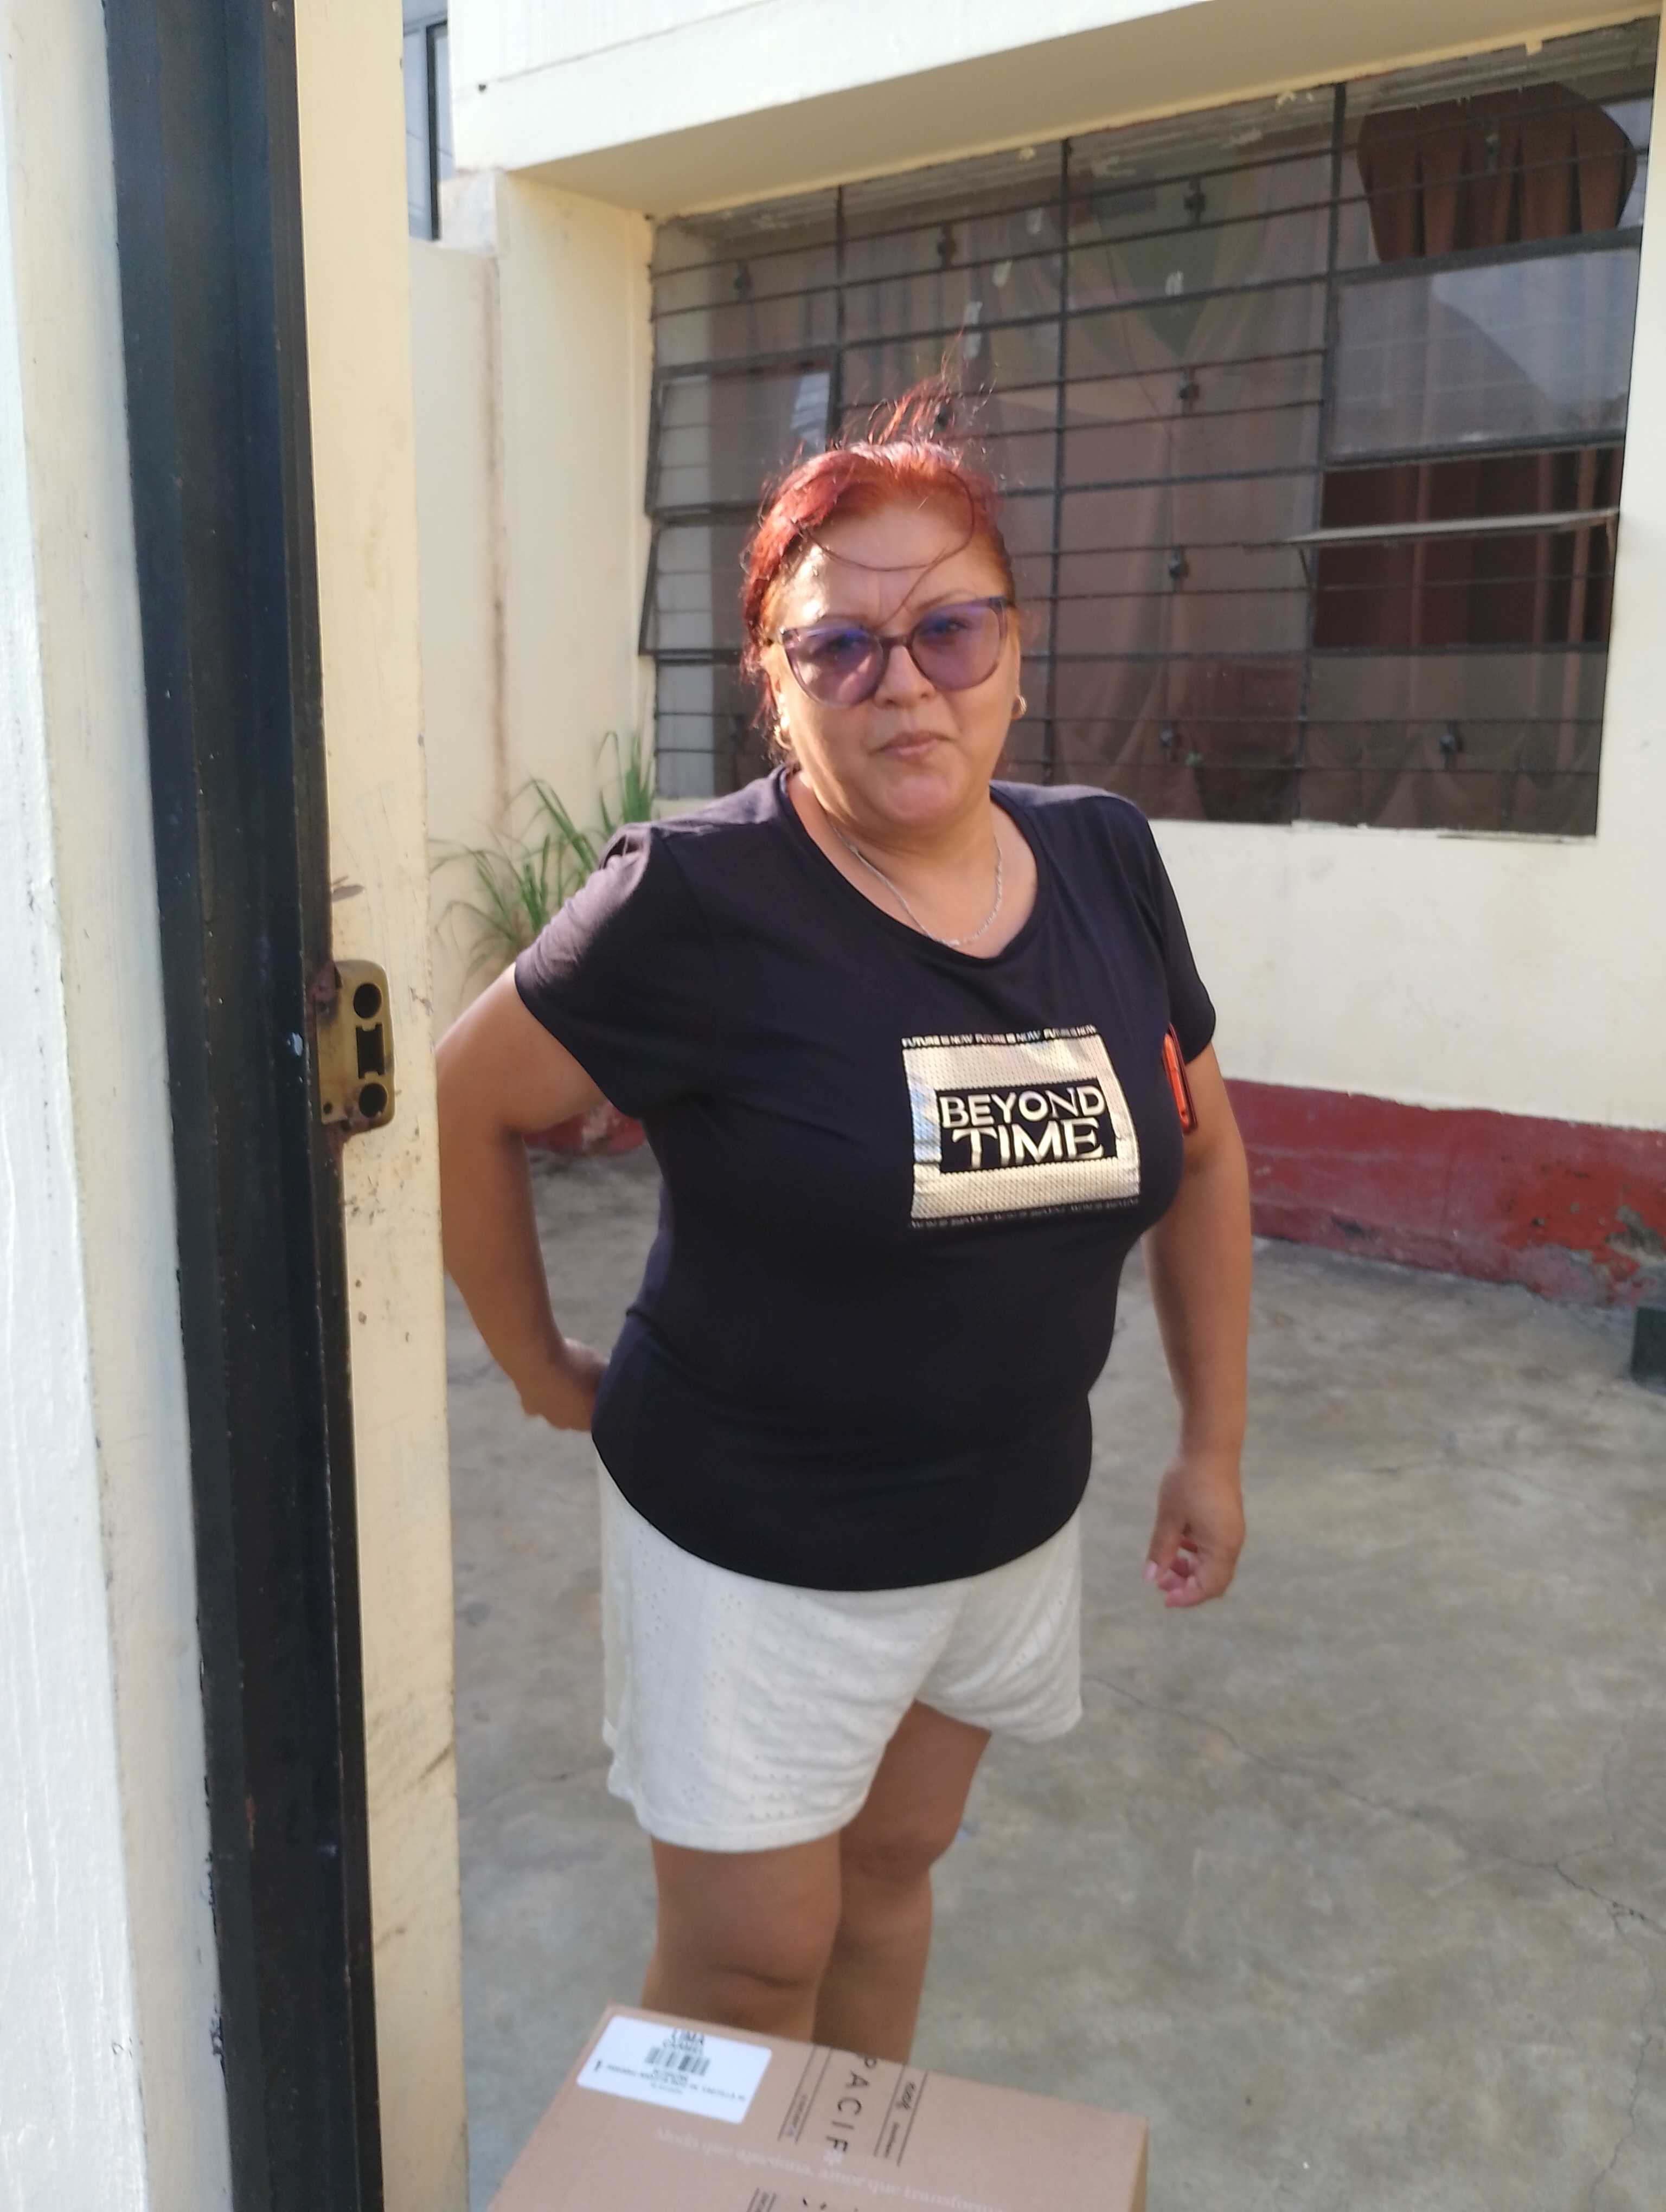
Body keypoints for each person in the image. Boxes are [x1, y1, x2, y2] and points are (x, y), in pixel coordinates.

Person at [436, 382, 1251, 2065]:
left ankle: (845, 2167)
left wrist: (1212, 1443)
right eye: (841, 647)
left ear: (1015, 648)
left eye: (950, 628)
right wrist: (536, 1365)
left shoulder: (1106, 862)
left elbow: (1206, 1149)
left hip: (1002, 1525)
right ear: (775, 681)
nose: (906, 682)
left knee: (890, 1878)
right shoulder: (694, 901)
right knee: (750, 1961)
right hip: (754, 1539)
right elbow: (462, 1098)